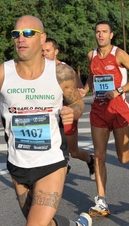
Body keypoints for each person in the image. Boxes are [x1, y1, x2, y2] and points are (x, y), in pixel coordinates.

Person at [0, 15, 92, 226]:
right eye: (16, 34)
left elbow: (78, 101)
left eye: (27, 33)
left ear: (42, 38)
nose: (21, 39)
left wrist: (74, 111)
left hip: (52, 162)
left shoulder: (60, 73)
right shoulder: (2, 72)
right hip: (18, 165)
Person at [81, 20, 129, 217]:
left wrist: (119, 91)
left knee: (122, 157)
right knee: (99, 156)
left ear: (111, 35)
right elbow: (91, 76)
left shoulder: (118, 54)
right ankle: (101, 201)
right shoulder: (91, 55)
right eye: (97, 32)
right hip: (98, 111)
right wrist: (84, 90)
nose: (100, 35)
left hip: (118, 109)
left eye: (104, 32)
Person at [42, 37, 95, 179]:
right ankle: (62, 165)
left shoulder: (65, 70)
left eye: (47, 50)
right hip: (49, 118)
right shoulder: (38, 70)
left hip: (66, 114)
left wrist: (81, 92)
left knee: (74, 152)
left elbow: (78, 93)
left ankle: (91, 161)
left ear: (56, 51)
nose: (44, 53)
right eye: (42, 51)